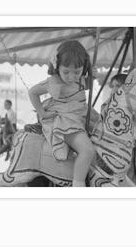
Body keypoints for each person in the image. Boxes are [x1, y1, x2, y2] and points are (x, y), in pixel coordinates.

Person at [28, 40, 99, 187]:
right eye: (66, 72)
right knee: (87, 150)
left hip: (82, 114)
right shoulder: (53, 82)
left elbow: (89, 84)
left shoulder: (81, 80)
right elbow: (32, 92)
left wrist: (94, 76)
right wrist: (42, 113)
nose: (72, 77)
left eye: (77, 72)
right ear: (56, 67)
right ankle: (78, 183)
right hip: (65, 119)